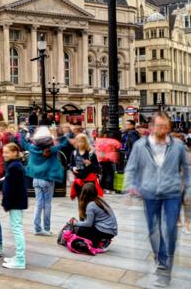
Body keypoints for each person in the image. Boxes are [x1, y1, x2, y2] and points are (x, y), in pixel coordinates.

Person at [124, 112, 191, 287]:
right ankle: (160, 259)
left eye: (165, 126)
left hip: (172, 193)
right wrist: (129, 187)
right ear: (151, 127)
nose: (162, 129)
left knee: (170, 230)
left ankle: (165, 270)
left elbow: (187, 169)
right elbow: (131, 168)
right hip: (150, 193)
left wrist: (188, 190)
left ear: (169, 127)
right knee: (154, 231)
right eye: (159, 125)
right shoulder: (140, 146)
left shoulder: (178, 146)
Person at [20, 126, 69, 236]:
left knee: (38, 204)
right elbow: (64, 144)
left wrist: (23, 131)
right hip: (47, 180)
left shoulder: (32, 148)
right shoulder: (51, 150)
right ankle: (46, 229)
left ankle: (37, 228)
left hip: (36, 180)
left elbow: (22, 142)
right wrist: (63, 133)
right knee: (47, 204)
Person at [1, 143, 27, 269]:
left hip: (15, 202)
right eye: (3, 152)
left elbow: (11, 188)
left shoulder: (14, 167)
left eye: (7, 152)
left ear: (15, 153)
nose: (4, 154)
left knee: (17, 229)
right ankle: (18, 256)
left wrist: (7, 203)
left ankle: (20, 260)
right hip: (16, 202)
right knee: (16, 228)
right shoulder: (14, 165)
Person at [71, 182, 117, 248]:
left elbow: (88, 224)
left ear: (83, 194)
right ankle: (100, 240)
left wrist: (76, 223)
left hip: (104, 231)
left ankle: (100, 241)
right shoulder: (99, 199)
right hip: (110, 231)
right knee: (82, 229)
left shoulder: (91, 205)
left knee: (78, 230)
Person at [70, 134, 102, 203]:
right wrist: (73, 168)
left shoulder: (91, 154)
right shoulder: (74, 153)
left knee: (89, 202)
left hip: (89, 182)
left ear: (86, 142)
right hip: (79, 182)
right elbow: (71, 165)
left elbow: (98, 169)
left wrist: (90, 164)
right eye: (78, 141)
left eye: (82, 141)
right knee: (80, 202)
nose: (80, 143)